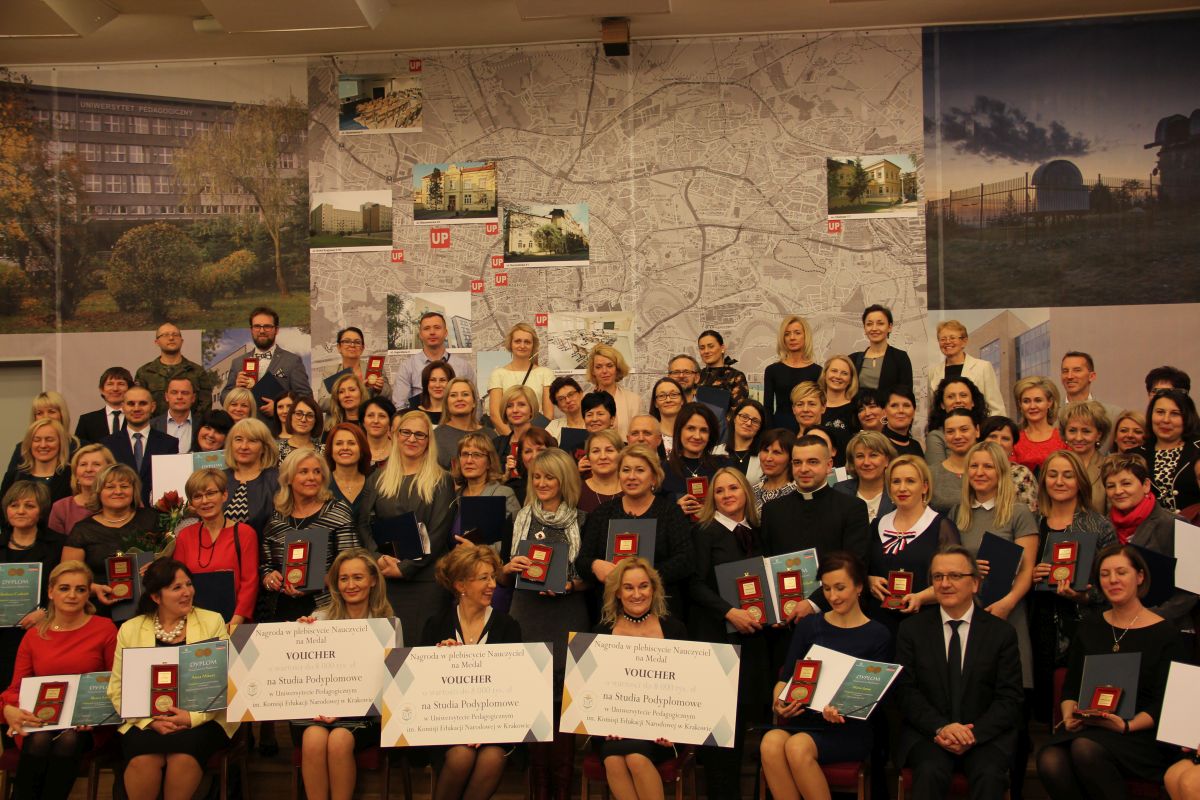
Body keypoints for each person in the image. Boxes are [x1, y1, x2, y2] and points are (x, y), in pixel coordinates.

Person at [1036, 544, 1188, 798]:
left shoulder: (1165, 634)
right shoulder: (1090, 627)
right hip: (1091, 726)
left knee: (1085, 749)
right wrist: (1069, 715)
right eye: (1105, 574)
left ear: (1140, 576)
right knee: (1050, 759)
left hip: (1139, 733)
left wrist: (1127, 726)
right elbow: (1071, 686)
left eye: (1121, 572)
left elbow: (1166, 704)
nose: (1113, 580)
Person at [895, 545, 1023, 800]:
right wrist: (941, 728)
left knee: (989, 774)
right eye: (938, 577)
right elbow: (905, 692)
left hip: (985, 736)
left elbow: (1009, 698)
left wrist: (973, 734)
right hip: (929, 734)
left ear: (975, 583)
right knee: (930, 771)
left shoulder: (1001, 633)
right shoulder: (911, 630)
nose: (945, 584)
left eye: (955, 576)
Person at [761, 552, 892, 800]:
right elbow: (785, 678)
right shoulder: (809, 625)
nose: (833, 596)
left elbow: (875, 697)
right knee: (770, 743)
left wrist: (843, 709)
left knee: (797, 746)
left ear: (859, 587)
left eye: (840, 588)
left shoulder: (878, 635)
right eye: (827, 588)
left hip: (849, 728)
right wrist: (779, 702)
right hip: (806, 720)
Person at [107, 559, 236, 800]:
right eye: (177, 587)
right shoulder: (131, 629)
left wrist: (191, 718)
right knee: (143, 758)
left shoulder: (212, 621)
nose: (187, 592)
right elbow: (117, 688)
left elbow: (226, 682)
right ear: (156, 597)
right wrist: (148, 721)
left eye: (189, 584)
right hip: (146, 720)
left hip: (202, 719)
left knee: (183, 756)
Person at [951, 441, 1038, 791]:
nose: (980, 472)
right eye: (974, 466)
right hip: (968, 618)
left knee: (1011, 707)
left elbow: (1028, 570)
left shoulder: (1018, 512)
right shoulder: (957, 513)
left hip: (1006, 616)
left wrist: (1007, 603)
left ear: (1002, 472)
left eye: (988, 466)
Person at [500, 447, 587, 800]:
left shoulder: (583, 520)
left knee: (563, 705)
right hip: (527, 616)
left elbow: (593, 577)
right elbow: (502, 576)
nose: (542, 483)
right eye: (536, 476)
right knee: (533, 703)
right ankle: (539, 791)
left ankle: (562, 791)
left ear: (564, 480)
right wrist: (509, 568)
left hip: (567, 615)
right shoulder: (518, 519)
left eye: (550, 477)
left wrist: (571, 585)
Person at [1, 561, 117, 800]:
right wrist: (9, 709)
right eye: (64, 588)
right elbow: (16, 687)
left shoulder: (105, 629)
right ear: (51, 592)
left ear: (87, 594)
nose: (72, 595)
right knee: (40, 739)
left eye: (80, 589)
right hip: (39, 720)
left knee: (68, 740)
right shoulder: (34, 635)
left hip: (88, 725)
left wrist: (94, 713)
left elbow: (115, 681)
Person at [688, 467, 771, 799]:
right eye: (719, 491)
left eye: (733, 488)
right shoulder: (704, 532)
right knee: (720, 734)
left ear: (746, 492)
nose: (726, 495)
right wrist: (728, 611)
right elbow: (693, 584)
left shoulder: (757, 531)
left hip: (753, 642)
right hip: (717, 641)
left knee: (745, 724)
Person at [293, 549, 396, 800]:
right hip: (317, 712)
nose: (350, 585)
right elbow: (304, 674)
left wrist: (345, 707)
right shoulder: (317, 619)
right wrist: (298, 636)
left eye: (358, 577)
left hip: (365, 716)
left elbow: (392, 686)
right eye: (343, 579)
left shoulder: (387, 624)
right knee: (313, 738)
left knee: (339, 739)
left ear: (373, 580)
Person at [421, 545, 521, 800]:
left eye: (493, 577)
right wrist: (438, 661)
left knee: (492, 757)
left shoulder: (507, 626)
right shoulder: (436, 625)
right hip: (445, 726)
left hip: (496, 725)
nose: (492, 585)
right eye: (483, 578)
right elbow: (421, 687)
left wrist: (483, 728)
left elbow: (514, 687)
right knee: (461, 755)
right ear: (461, 585)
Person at [1028, 450, 1116, 720]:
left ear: (1080, 480)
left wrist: (1083, 596)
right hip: (1038, 624)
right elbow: (1016, 576)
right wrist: (1030, 574)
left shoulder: (1099, 526)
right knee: (1041, 708)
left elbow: (1114, 585)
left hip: (1083, 626)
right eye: (1052, 475)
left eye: (1068, 475)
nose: (1059, 481)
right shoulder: (1032, 522)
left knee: (1076, 703)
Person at [592, 558, 687, 800]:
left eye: (643, 586)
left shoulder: (674, 630)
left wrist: (674, 727)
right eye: (628, 587)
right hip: (613, 729)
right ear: (617, 593)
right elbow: (592, 689)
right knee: (613, 759)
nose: (637, 594)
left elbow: (687, 687)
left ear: (653, 589)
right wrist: (602, 724)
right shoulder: (601, 632)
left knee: (635, 758)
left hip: (664, 732)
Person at [358, 410, 455, 643]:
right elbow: (363, 524)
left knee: (422, 650)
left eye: (420, 435)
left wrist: (406, 567)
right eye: (406, 432)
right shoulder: (377, 478)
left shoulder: (441, 480)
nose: (412, 439)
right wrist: (378, 558)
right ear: (395, 435)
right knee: (388, 650)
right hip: (386, 580)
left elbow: (439, 532)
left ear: (429, 441)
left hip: (426, 582)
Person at [578, 445, 695, 621]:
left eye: (640, 470)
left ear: (654, 477)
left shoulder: (670, 512)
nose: (631, 476)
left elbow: (685, 561)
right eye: (626, 470)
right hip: (610, 613)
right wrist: (594, 565)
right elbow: (582, 561)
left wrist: (642, 577)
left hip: (661, 612)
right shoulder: (602, 513)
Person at [761, 435, 871, 602]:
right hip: (786, 606)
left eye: (813, 462)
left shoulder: (852, 508)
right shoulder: (772, 510)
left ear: (829, 465)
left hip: (836, 605)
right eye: (797, 462)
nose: (803, 469)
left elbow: (854, 565)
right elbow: (767, 564)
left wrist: (813, 603)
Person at [260, 447, 360, 619]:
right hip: (281, 610)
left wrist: (316, 582)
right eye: (304, 472)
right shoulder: (276, 519)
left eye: (317, 472)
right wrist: (269, 579)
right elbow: (265, 566)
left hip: (328, 609)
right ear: (289, 478)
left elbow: (351, 563)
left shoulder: (337, 512)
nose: (312, 477)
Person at [1102, 453, 1197, 632]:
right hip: (1116, 628)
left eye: (1126, 483)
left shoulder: (1178, 524)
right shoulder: (1102, 527)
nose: (1118, 491)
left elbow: (1192, 590)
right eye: (1110, 486)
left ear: (1146, 485)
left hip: (1167, 629)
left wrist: (1147, 618)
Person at [866, 455, 960, 634]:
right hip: (879, 623)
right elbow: (863, 568)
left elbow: (955, 579)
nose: (902, 488)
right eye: (896, 481)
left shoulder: (941, 527)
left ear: (924, 487)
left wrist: (921, 597)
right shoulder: (877, 525)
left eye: (910, 481)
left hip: (925, 622)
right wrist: (869, 580)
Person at [61, 464, 158, 612]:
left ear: (134, 490)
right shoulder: (82, 530)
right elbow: (67, 577)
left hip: (151, 606)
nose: (118, 491)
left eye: (124, 486)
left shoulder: (151, 519)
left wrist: (158, 566)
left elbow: (172, 562)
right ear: (98, 491)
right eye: (110, 487)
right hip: (100, 609)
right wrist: (94, 589)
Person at [173, 468, 258, 630]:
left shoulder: (245, 534)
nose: (205, 501)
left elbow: (250, 582)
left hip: (235, 624)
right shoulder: (185, 536)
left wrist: (236, 622)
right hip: (194, 624)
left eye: (211, 493)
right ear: (191, 503)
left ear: (224, 495)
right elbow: (178, 582)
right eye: (197, 496)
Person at [0, 481, 66, 691]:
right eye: (14, 505)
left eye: (29, 506)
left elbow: (67, 585)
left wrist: (46, 612)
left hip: (43, 629)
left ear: (42, 511)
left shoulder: (58, 545)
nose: (20, 511)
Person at [220, 306, 312, 415]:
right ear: (251, 330)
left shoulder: (292, 361)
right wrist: (236, 389)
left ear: (276, 330)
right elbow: (223, 397)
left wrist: (280, 408)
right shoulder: (238, 362)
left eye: (267, 326)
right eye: (257, 326)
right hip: (246, 424)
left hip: (276, 425)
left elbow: (306, 397)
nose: (262, 331)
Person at [101, 386, 178, 505]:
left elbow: (171, 481)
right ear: (123, 407)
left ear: (152, 407)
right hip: (120, 510)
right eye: (131, 404)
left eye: (142, 403)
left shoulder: (169, 443)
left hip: (157, 512)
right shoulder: (107, 444)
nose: (136, 408)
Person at [1135, 388, 1200, 514]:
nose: (1165, 420)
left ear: (1187, 417)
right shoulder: (1136, 455)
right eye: (1160, 412)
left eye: (1175, 414)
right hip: (1151, 525)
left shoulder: (1198, 450)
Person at [393, 311, 475, 410]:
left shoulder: (463, 366)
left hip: (456, 419)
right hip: (419, 418)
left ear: (446, 332)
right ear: (420, 334)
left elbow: (475, 403)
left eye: (437, 327)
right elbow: (400, 406)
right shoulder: (407, 366)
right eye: (427, 328)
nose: (432, 332)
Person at [450, 434, 519, 548]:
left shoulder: (503, 494)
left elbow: (515, 538)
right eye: (465, 454)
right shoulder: (454, 496)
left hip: (488, 559)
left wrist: (477, 550)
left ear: (489, 462)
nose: (469, 460)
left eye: (477, 455)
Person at [135, 322, 216, 416]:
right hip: (153, 424)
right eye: (165, 335)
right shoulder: (144, 372)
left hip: (190, 424)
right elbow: (139, 404)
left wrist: (191, 423)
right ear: (157, 342)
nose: (171, 338)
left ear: (181, 341)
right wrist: (154, 424)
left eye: (175, 335)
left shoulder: (197, 371)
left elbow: (205, 405)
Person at [488, 323, 555, 436]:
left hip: (536, 438)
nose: (522, 345)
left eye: (527, 342)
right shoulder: (498, 374)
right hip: (507, 438)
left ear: (533, 346)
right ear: (510, 344)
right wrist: (512, 439)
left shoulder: (545, 373)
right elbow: (495, 415)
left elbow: (548, 414)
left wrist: (531, 439)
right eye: (517, 341)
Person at [927, 320, 1006, 415]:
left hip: (977, 423)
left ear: (964, 341)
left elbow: (996, 409)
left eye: (952, 338)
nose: (947, 342)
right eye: (943, 339)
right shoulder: (932, 372)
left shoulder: (983, 367)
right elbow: (932, 410)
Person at [662, 403, 728, 515]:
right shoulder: (664, 470)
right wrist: (674, 509)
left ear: (710, 435)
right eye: (691, 428)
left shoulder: (724, 466)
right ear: (679, 431)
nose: (697, 436)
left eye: (703, 430)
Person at [222, 418, 281, 541]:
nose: (244, 446)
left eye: (252, 441)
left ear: (264, 447)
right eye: (238, 439)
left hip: (263, 550)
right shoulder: (219, 478)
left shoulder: (277, 480)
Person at [763, 315, 822, 432]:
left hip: (809, 429)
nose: (792, 338)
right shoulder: (772, 370)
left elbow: (821, 407)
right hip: (779, 429)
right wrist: (770, 434)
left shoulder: (818, 371)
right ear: (783, 338)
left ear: (805, 336)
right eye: (787, 334)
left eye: (797, 333)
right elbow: (767, 408)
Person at [315, 326, 392, 411]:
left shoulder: (374, 369)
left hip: (367, 418)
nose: (352, 345)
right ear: (339, 347)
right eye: (347, 341)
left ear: (362, 348)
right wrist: (352, 395)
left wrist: (380, 390)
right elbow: (322, 403)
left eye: (357, 342)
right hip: (339, 419)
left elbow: (388, 398)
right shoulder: (330, 371)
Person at [849, 304, 913, 405]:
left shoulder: (900, 357)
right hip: (860, 413)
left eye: (880, 323)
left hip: (888, 413)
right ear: (864, 328)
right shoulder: (853, 359)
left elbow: (906, 395)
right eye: (869, 324)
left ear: (890, 327)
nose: (874, 328)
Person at [48, 443, 115, 537]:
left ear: (110, 469)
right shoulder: (61, 507)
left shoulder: (121, 502)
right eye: (83, 464)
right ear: (75, 472)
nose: (89, 469)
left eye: (96, 464)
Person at [2, 419, 72, 504]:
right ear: (29, 443)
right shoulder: (13, 476)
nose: (43, 445)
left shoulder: (72, 476)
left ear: (61, 443)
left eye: (49, 440)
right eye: (37, 440)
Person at [835, 430, 898, 524]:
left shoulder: (898, 491)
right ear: (852, 462)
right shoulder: (839, 491)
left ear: (887, 460)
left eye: (873, 455)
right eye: (860, 456)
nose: (866, 462)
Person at [925, 376, 988, 466]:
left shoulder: (986, 431)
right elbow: (937, 472)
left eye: (963, 395)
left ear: (973, 402)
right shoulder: (936, 436)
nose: (958, 401)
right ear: (942, 404)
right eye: (950, 397)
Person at [1060, 400, 1112, 511]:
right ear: (1065, 433)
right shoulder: (1055, 465)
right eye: (1072, 430)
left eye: (1086, 431)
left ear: (1098, 435)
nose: (1078, 438)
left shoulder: (1109, 467)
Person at [981, 416, 1039, 513]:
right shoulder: (972, 470)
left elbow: (1029, 515)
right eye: (993, 436)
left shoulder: (1022, 474)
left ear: (1012, 446)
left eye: (1005, 439)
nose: (998, 443)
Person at [1060, 352, 1122, 438]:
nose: (1069, 376)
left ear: (1091, 376)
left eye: (1077, 370)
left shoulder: (1113, 415)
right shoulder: (1049, 415)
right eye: (1065, 371)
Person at [930, 408, 980, 514]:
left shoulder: (989, 471)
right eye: (950, 431)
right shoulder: (930, 474)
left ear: (977, 431)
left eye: (964, 430)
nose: (957, 436)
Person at [587, 343, 642, 439]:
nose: (604, 371)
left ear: (617, 369)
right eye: (598, 367)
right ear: (593, 371)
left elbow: (638, 437)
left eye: (609, 366)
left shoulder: (633, 400)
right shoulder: (584, 401)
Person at [1012, 376, 1066, 472]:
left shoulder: (1063, 437)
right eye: (1026, 401)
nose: (1032, 406)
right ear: (1020, 404)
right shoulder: (1014, 439)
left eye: (1038, 400)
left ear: (1049, 402)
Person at [434, 378, 485, 470]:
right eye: (453, 395)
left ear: (474, 402)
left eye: (465, 394)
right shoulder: (435, 436)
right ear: (446, 404)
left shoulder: (490, 435)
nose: (459, 399)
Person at [75, 366, 133, 445]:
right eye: (110, 384)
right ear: (101, 390)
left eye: (121, 384)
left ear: (130, 389)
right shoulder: (87, 421)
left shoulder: (138, 417)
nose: (115, 389)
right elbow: (79, 450)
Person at [712, 398, 766, 482]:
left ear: (760, 427)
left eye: (755, 421)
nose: (748, 423)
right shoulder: (715, 452)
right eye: (744, 417)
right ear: (734, 418)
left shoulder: (765, 456)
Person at [325, 422, 372, 517]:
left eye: (351, 443)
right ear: (331, 450)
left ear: (362, 449)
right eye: (339, 443)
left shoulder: (374, 483)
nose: (345, 448)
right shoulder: (321, 484)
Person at [696, 329, 749, 414]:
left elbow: (738, 413)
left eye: (711, 346)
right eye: (702, 348)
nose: (706, 351)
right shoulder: (697, 375)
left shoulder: (735, 376)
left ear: (722, 348)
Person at [492, 385, 539, 470]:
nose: (515, 410)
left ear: (531, 410)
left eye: (521, 405)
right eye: (509, 406)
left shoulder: (544, 441)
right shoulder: (496, 444)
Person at [148, 376, 197, 454]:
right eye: (174, 392)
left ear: (193, 398)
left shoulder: (202, 425)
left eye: (185, 393)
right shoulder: (151, 426)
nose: (179, 397)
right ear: (166, 397)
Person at [752, 428, 796, 513]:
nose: (768, 458)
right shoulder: (752, 492)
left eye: (776, 452)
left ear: (791, 458)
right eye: (765, 451)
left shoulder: (798, 492)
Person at [817, 355, 858, 444]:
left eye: (844, 373)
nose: (838, 376)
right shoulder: (814, 406)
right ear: (825, 374)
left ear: (850, 380)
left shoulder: (856, 410)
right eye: (834, 371)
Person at [580, 429, 622, 513]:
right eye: (596, 451)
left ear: (620, 454)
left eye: (609, 450)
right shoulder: (577, 492)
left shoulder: (633, 489)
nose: (603, 457)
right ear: (588, 457)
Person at [278, 394, 324, 462]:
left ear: (316, 420)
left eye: (310, 416)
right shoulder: (276, 451)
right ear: (290, 416)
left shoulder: (324, 452)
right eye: (298, 414)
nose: (303, 420)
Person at [882, 385, 924, 457]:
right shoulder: (878, 444)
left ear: (914, 412)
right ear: (884, 412)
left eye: (906, 405)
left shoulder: (916, 446)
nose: (901, 410)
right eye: (894, 405)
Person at [648, 378, 686, 454]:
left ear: (682, 400)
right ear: (655, 403)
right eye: (662, 396)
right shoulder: (649, 436)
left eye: (674, 395)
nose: (668, 400)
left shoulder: (693, 433)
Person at [412, 360, 454, 425]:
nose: (437, 385)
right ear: (426, 383)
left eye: (442, 380)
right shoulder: (413, 410)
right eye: (433, 380)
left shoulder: (456, 412)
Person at [358, 396, 394, 469]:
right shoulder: (356, 450)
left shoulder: (398, 449)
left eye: (382, 416)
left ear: (390, 422)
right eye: (370, 416)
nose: (376, 421)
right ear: (363, 422)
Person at [545, 377, 586, 441]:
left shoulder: (594, 421)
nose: (568, 400)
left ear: (581, 394)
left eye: (571, 394)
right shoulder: (553, 427)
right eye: (561, 399)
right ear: (558, 406)